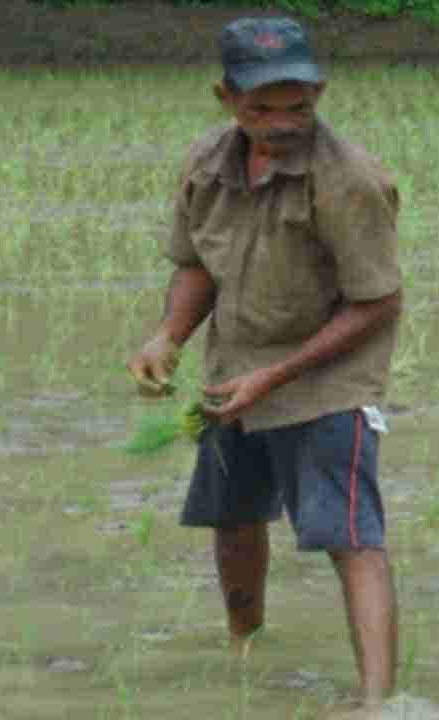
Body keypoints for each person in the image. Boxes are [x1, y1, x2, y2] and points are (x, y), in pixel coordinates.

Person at [124, 16, 405, 719]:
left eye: (299, 106)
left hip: (328, 382)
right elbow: (196, 263)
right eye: (262, 108)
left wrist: (273, 379)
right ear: (225, 97)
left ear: (320, 92)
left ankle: (375, 702)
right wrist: (169, 336)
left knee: (350, 535)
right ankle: (244, 653)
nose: (283, 122)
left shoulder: (349, 181)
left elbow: (377, 303)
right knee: (235, 517)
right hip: (233, 370)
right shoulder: (206, 164)